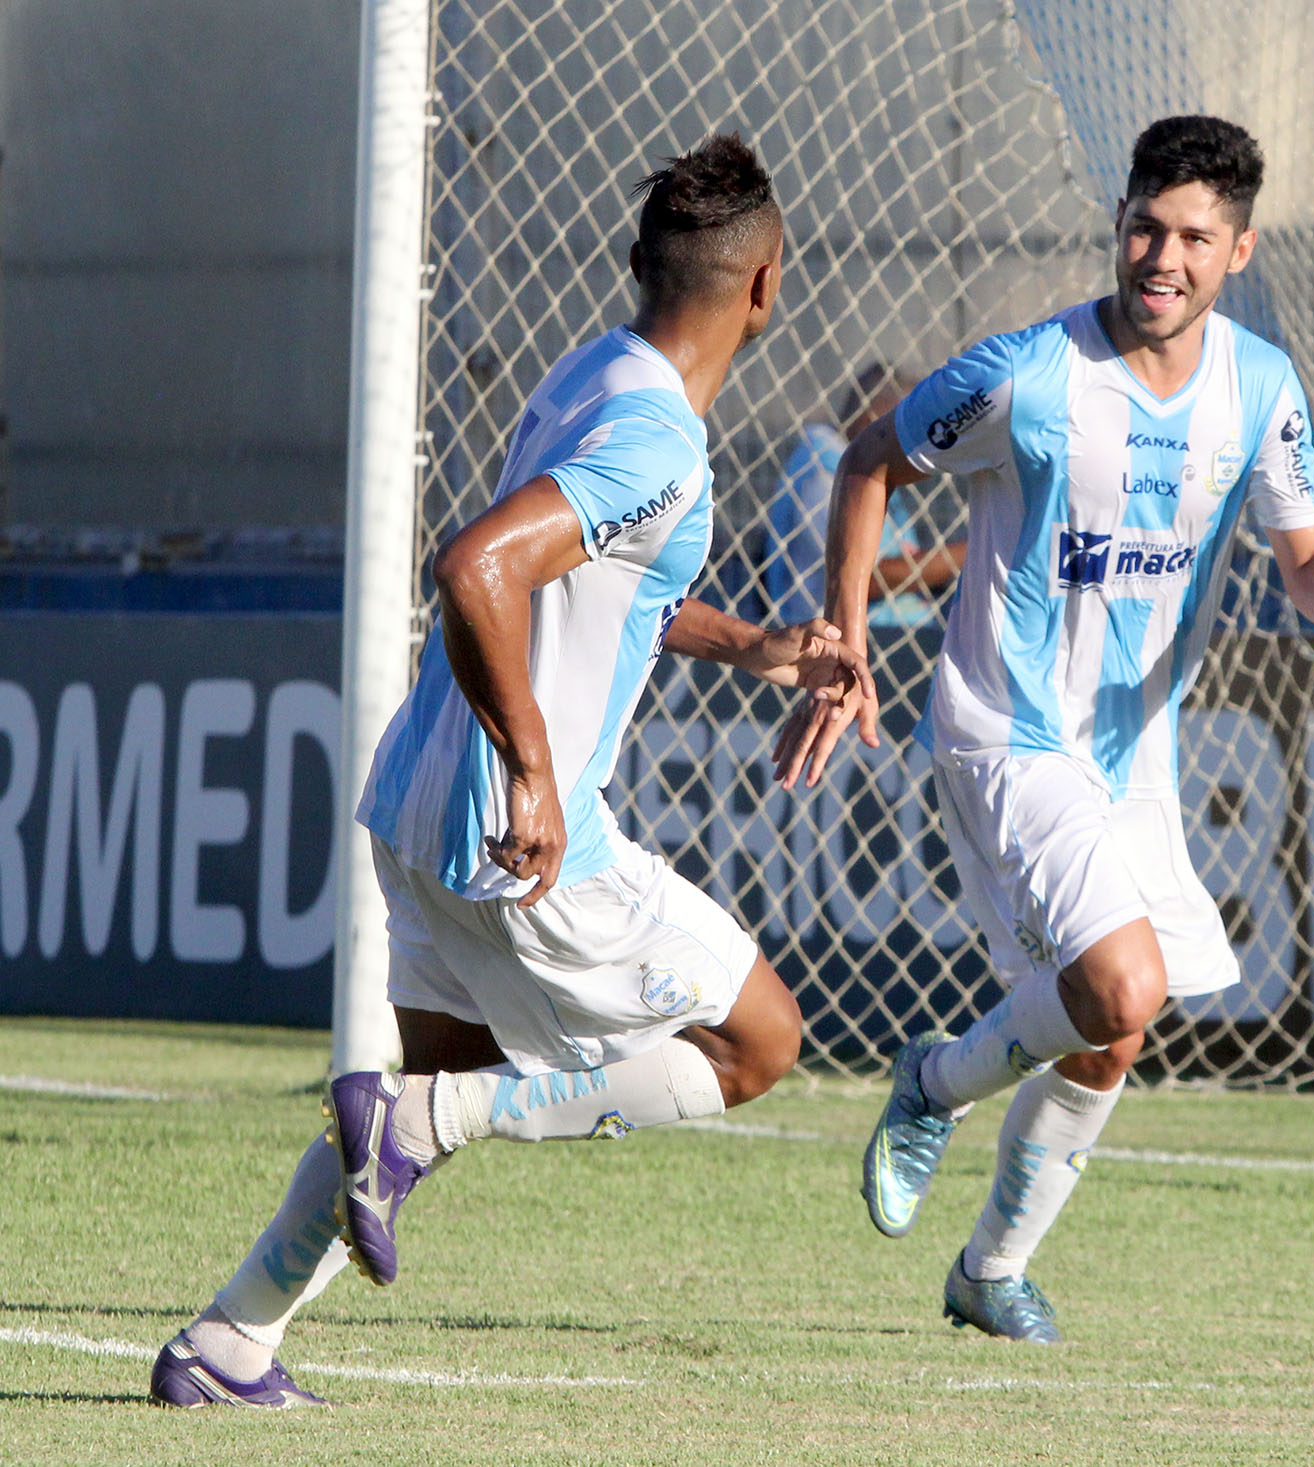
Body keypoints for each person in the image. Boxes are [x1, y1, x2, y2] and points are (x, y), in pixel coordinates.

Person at [151, 132, 867, 1408]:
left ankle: (230, 1341)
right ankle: (418, 1131)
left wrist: (754, 644)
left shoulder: (595, 373)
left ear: (641, 268)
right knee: (760, 1041)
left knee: (418, 1095)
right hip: (518, 827)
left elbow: (589, 573)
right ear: (766, 286)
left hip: (417, 803)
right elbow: (478, 566)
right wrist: (534, 774)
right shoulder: (662, 441)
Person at [772, 115, 1314, 1343]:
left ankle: (989, 1272)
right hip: (1002, 730)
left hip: (1133, 758)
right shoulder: (1027, 374)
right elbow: (871, 462)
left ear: (1237, 252)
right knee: (1119, 981)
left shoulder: (1260, 386)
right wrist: (846, 639)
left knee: (1114, 1029)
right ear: (1120, 223)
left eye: (1195, 236)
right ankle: (933, 1081)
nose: (1163, 256)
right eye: (1146, 225)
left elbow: (1304, 558)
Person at [762, 362, 965, 631]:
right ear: (872, 420)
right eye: (912, 428)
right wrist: (966, 555)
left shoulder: (875, 473)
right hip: (845, 635)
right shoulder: (824, 472)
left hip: (901, 631)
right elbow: (863, 577)